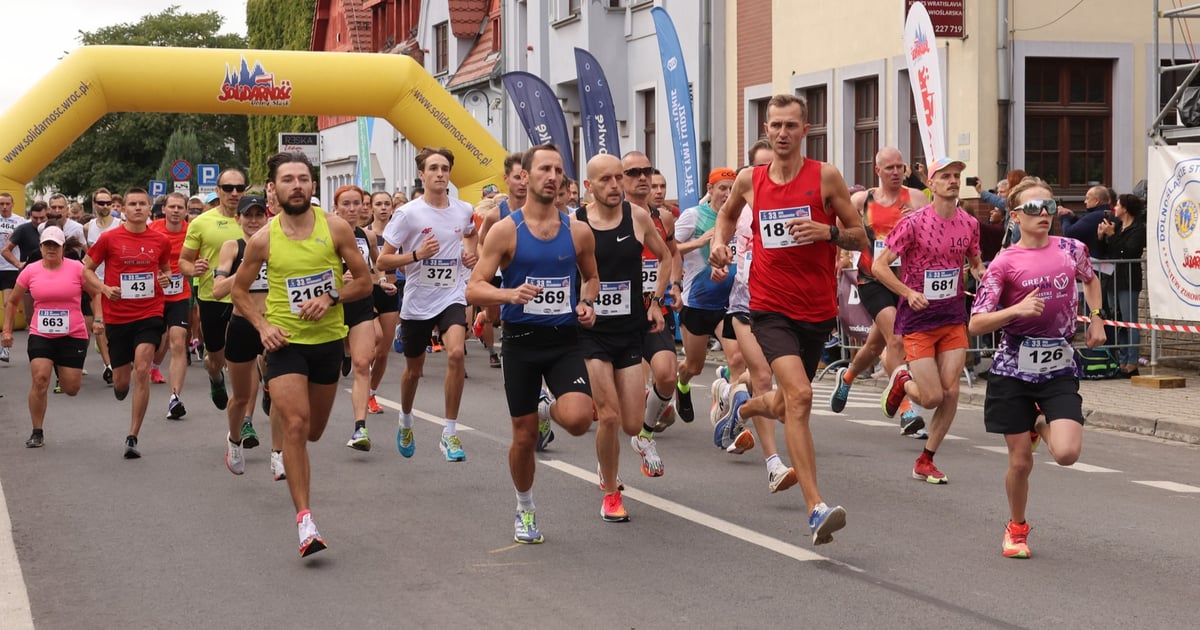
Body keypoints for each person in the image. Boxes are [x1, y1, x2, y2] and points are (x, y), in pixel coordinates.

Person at [709, 93, 867, 545]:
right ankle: (816, 508)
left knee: (785, 403)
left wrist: (827, 232)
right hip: (768, 306)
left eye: (790, 125)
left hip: (816, 309)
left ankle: (744, 406)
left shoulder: (825, 177)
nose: (782, 133)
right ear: (766, 129)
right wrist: (719, 244)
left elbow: (861, 236)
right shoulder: (750, 179)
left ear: (805, 130)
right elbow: (726, 216)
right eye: (775, 125)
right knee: (799, 397)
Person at [231, 152, 372, 557]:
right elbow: (239, 291)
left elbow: (364, 282)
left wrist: (331, 297)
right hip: (285, 343)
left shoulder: (336, 228)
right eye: (288, 179)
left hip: (327, 342)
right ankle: (306, 522)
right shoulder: (263, 239)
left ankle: (286, 424)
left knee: (313, 431)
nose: (297, 186)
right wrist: (263, 327)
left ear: (313, 185)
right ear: (273, 188)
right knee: (295, 425)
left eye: (303, 179)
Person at [466, 143, 599, 544]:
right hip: (521, 343)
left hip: (564, 340)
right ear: (525, 176)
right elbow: (474, 288)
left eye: (558, 170)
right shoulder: (506, 230)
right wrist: (508, 295)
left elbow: (591, 277)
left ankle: (547, 409)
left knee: (579, 419)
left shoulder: (578, 230)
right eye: (544, 169)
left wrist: (587, 302)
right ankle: (524, 506)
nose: (553, 177)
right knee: (523, 438)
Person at [968, 176, 1106, 559]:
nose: (1043, 214)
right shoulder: (1004, 263)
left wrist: (1097, 317)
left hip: (1058, 368)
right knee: (1021, 462)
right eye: (1032, 208)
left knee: (1067, 454)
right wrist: (1016, 310)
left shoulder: (1071, 249)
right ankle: (1016, 528)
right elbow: (976, 323)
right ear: (1015, 216)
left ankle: (1040, 423)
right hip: (1012, 372)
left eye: (1049, 206)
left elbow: (1091, 280)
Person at [874, 157, 985, 484]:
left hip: (952, 317)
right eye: (945, 176)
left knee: (950, 393)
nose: (953, 181)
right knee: (932, 396)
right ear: (931, 184)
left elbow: (975, 261)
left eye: (957, 176)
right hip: (919, 319)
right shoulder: (913, 223)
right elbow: (879, 266)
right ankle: (901, 380)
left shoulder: (969, 223)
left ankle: (926, 459)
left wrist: (982, 272)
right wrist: (908, 293)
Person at [577, 153, 672, 521]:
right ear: (589, 186)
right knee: (610, 416)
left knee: (633, 423)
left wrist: (655, 302)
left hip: (630, 330)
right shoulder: (576, 222)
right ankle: (611, 493)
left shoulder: (638, 217)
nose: (615, 185)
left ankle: (613, 459)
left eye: (619, 177)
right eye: (606, 179)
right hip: (592, 334)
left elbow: (665, 257)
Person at [710, 139, 798, 492]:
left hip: (787, 303)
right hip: (746, 301)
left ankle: (734, 399)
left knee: (787, 391)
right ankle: (774, 464)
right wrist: (719, 256)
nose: (767, 171)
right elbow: (723, 232)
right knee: (762, 377)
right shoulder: (742, 206)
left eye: (772, 164)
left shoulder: (795, 202)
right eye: (760, 166)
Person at [379, 148, 478, 461]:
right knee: (414, 371)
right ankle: (406, 419)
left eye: (444, 168)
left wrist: (470, 255)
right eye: (433, 168)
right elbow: (382, 260)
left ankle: (450, 433)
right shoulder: (408, 214)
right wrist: (416, 255)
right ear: (421, 174)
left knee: (457, 353)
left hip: (452, 294)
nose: (440, 173)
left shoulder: (464, 210)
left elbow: (471, 235)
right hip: (419, 299)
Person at [827, 147, 930, 434]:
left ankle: (847, 377)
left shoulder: (918, 199)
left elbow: (932, 233)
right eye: (890, 168)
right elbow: (840, 226)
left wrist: (918, 220)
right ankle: (907, 410)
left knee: (875, 346)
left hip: (907, 281)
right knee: (896, 340)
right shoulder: (863, 200)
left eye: (900, 167)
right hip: (872, 279)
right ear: (878, 171)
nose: (896, 172)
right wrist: (842, 256)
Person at [83, 188, 173, 459]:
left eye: (142, 204)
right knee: (122, 382)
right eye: (132, 204)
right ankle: (120, 387)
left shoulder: (160, 240)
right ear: (122, 209)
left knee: (142, 369)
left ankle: (133, 435)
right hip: (118, 317)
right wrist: (103, 288)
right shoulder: (109, 239)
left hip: (149, 313)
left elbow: (166, 269)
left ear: (149, 208)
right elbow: (86, 269)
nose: (137, 208)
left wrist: (165, 278)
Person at [2, 227, 101, 447]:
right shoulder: (30, 271)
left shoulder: (77, 268)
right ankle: (37, 431)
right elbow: (13, 301)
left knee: (71, 389)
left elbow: (96, 294)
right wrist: (7, 330)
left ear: (63, 248)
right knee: (40, 379)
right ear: (40, 247)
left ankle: (58, 365)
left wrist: (99, 319)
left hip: (72, 334)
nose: (51, 249)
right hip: (41, 333)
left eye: (55, 245)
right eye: (47, 245)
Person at [213, 194, 285, 478]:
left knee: (280, 392)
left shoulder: (277, 244)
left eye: (259, 215)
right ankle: (234, 440)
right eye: (248, 215)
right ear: (238, 218)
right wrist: (247, 269)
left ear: (267, 218)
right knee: (240, 397)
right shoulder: (232, 247)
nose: (254, 220)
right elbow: (218, 290)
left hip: (274, 324)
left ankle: (278, 453)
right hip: (242, 325)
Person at [622, 151, 682, 435]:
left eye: (646, 171)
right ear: (621, 179)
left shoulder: (664, 218)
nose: (642, 177)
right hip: (617, 312)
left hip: (654, 307)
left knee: (668, 376)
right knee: (625, 392)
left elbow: (672, 253)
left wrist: (675, 285)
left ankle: (645, 429)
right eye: (634, 173)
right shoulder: (608, 216)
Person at [180, 168, 247, 418]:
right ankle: (215, 376)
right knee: (217, 359)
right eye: (228, 188)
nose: (234, 193)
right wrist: (193, 269)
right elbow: (183, 261)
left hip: (250, 297)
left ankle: (247, 415)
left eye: (239, 188)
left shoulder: (256, 220)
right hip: (213, 297)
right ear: (218, 191)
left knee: (247, 356)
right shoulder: (201, 223)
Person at [674, 167, 739, 422]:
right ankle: (682, 384)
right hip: (698, 302)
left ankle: (729, 414)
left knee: (737, 359)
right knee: (694, 366)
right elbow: (669, 249)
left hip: (730, 303)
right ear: (710, 189)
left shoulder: (741, 217)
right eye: (722, 188)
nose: (728, 194)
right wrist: (700, 242)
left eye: (732, 189)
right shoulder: (694, 216)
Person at [331, 186, 384, 451]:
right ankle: (344, 352)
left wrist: (380, 280)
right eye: (347, 204)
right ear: (336, 208)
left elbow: (377, 266)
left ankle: (359, 428)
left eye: (357, 203)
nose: (353, 209)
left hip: (361, 303)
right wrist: (338, 279)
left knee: (363, 364)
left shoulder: (367, 236)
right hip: (333, 304)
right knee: (322, 372)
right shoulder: (325, 234)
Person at [147, 192, 192, 418]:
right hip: (153, 294)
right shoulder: (152, 230)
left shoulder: (192, 231)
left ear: (186, 211)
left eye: (180, 207)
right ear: (163, 209)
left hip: (179, 294)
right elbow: (143, 259)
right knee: (158, 342)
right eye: (171, 207)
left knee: (177, 342)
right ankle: (152, 367)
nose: (175, 211)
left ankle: (175, 398)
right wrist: (157, 274)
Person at [1096, 193, 1147, 377]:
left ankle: (1132, 362)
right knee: (1117, 321)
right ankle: (1122, 360)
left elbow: (1127, 252)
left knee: (1129, 321)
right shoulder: (1117, 226)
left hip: (1128, 279)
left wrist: (1112, 236)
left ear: (1125, 208)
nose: (1114, 208)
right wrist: (1101, 236)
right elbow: (1108, 251)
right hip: (1113, 278)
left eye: (1117, 205)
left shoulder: (1138, 229)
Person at [366, 191, 401, 415]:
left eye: (387, 204)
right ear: (371, 207)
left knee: (382, 351)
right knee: (375, 338)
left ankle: (371, 392)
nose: (383, 208)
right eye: (378, 204)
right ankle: (357, 362)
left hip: (390, 291)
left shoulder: (398, 235)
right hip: (368, 291)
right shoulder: (365, 234)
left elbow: (406, 264)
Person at [86, 188, 122, 382]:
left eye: (108, 203)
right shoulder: (87, 227)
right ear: (94, 205)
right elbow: (88, 255)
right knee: (99, 323)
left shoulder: (120, 225)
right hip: (96, 282)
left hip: (116, 282)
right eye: (101, 203)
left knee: (116, 325)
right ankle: (109, 365)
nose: (106, 206)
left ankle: (118, 359)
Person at [0, 192, 28, 363]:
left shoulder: (20, 222)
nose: (4, 207)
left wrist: (20, 263)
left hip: (10, 267)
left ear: (12, 204)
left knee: (7, 304)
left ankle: (5, 345)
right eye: (1, 204)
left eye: (7, 204)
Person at [1059, 185, 1111, 254]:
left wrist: (1064, 216)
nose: (1085, 201)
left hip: (1093, 258)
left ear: (1096, 201)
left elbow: (1069, 233)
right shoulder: (1105, 213)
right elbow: (1084, 227)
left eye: (1087, 198)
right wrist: (1073, 217)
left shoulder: (1095, 216)